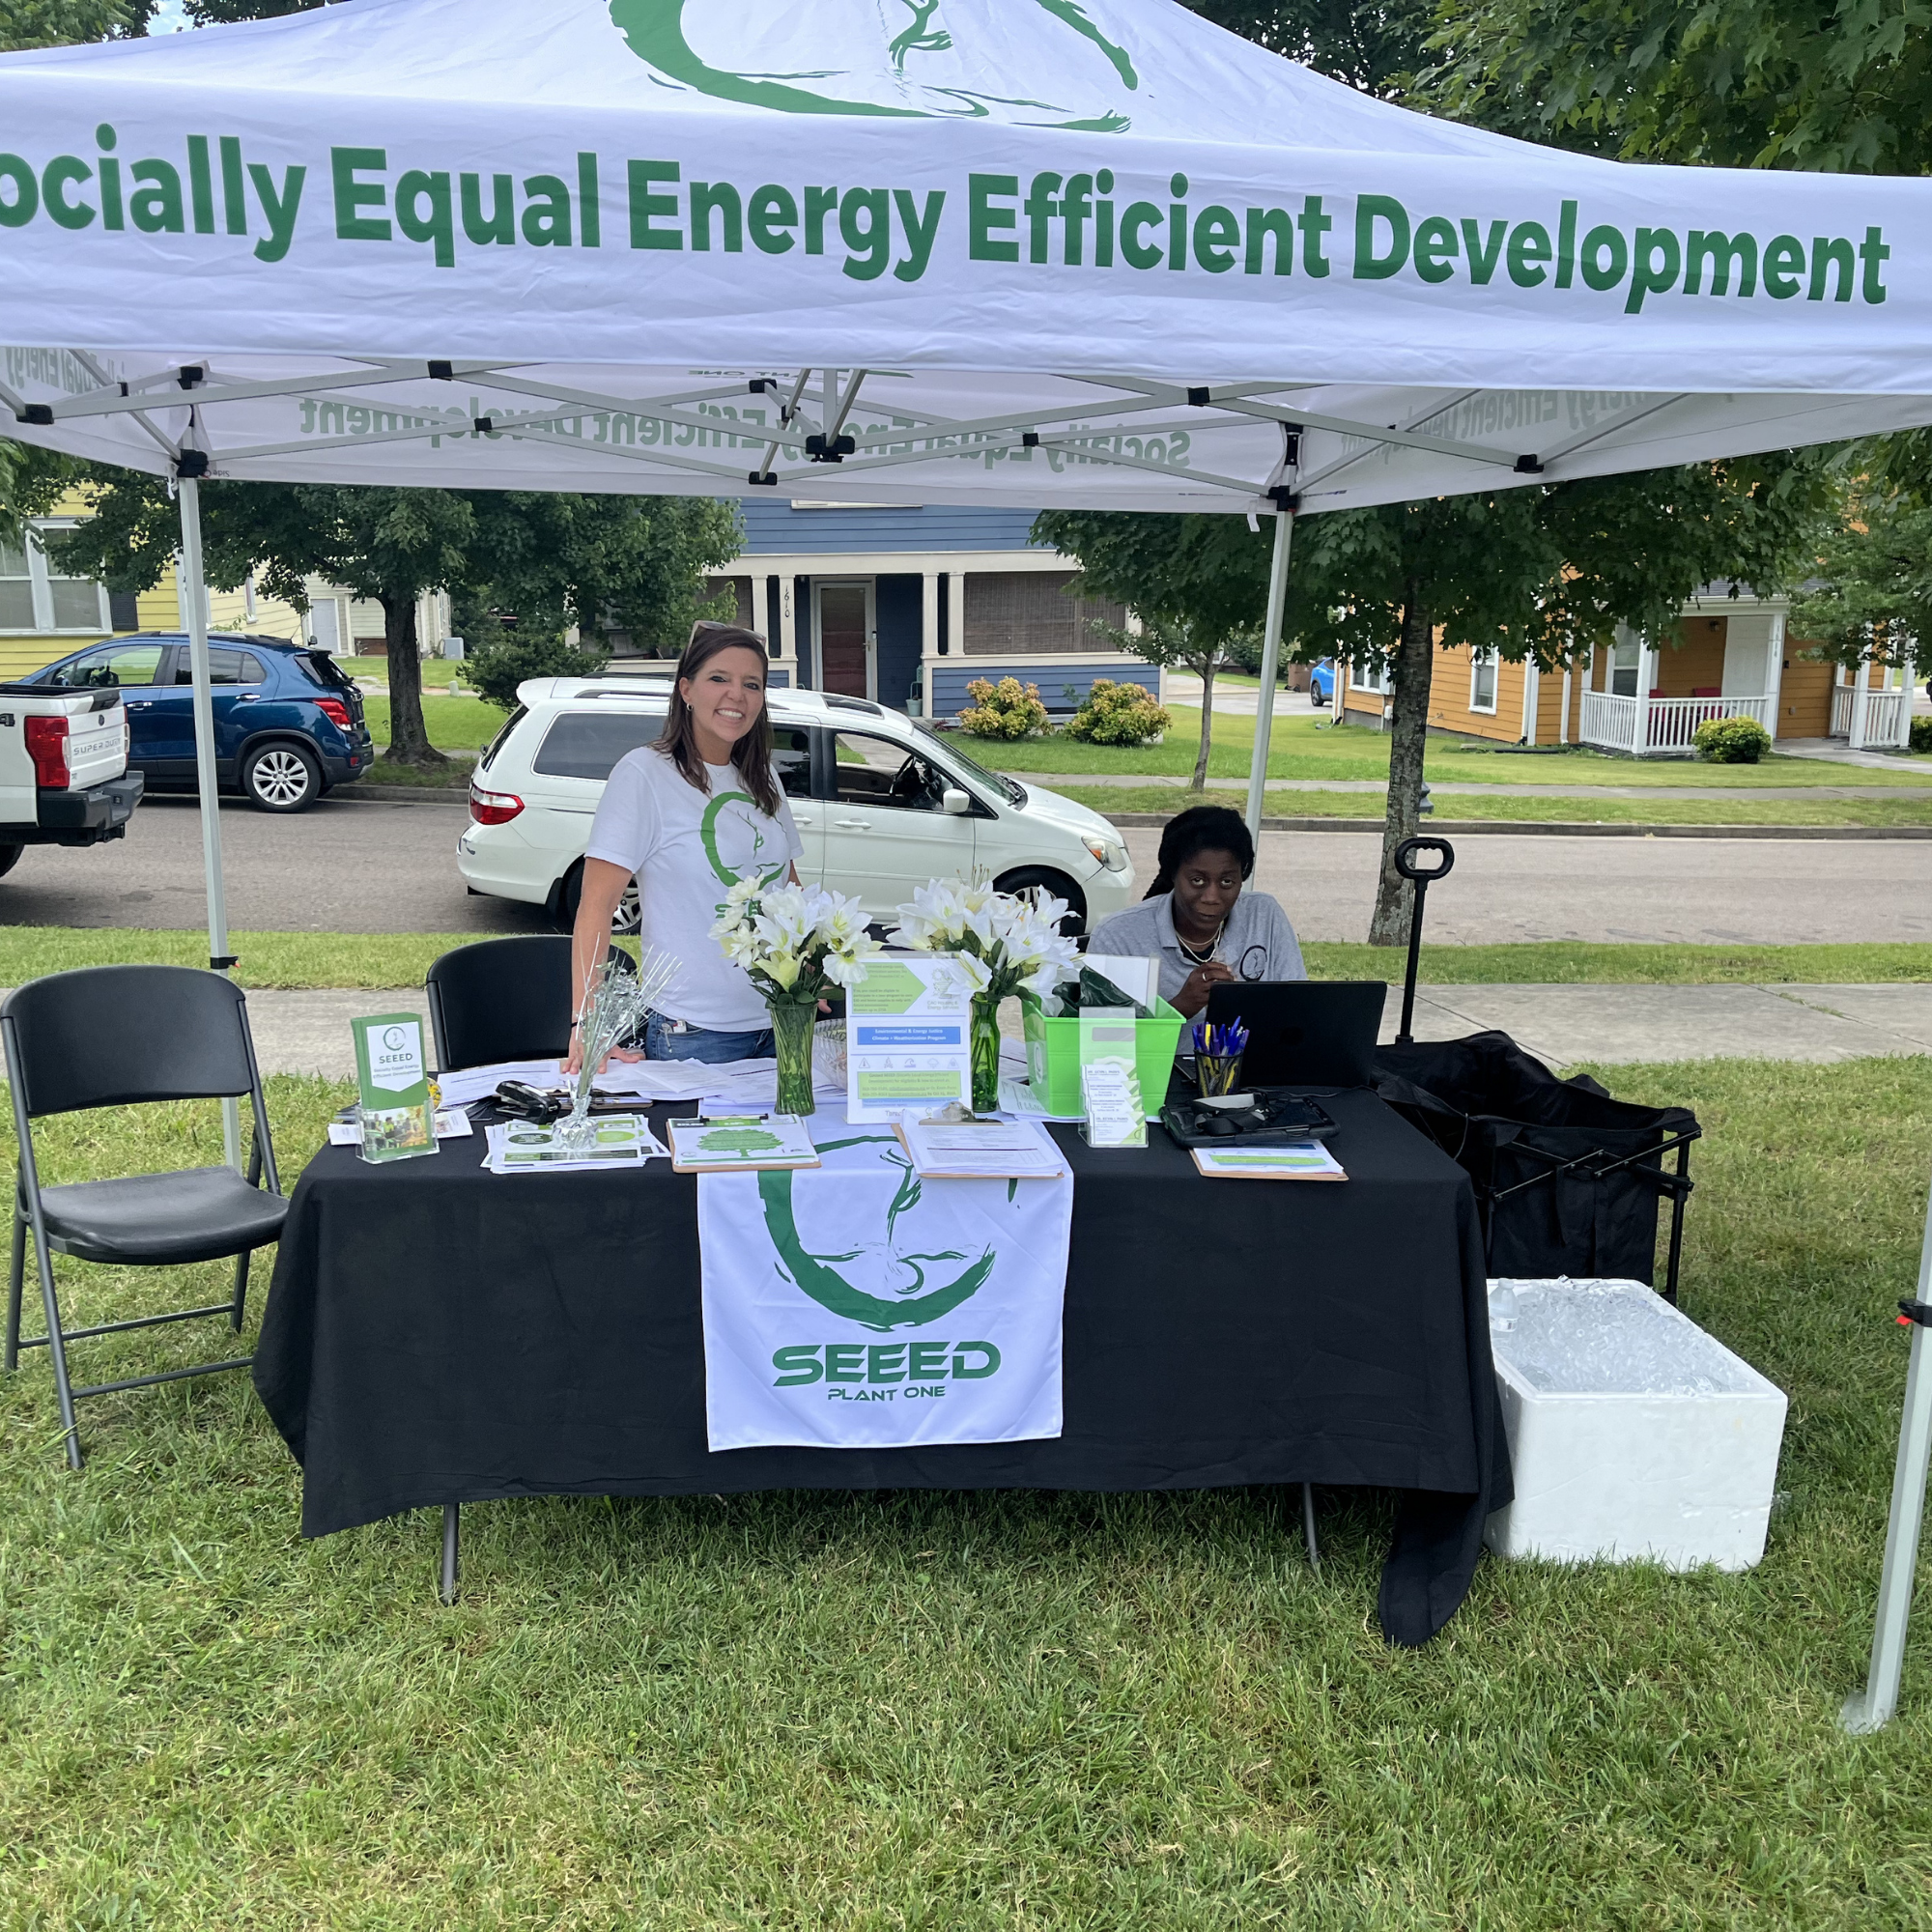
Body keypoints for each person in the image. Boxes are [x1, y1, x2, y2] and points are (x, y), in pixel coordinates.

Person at [565, 622, 802, 1066]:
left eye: (752, 684)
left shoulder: (764, 777)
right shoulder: (643, 775)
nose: (737, 695)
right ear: (686, 689)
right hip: (693, 1032)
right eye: (719, 678)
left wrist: (809, 971)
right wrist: (586, 1019)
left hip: (781, 1018)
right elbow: (595, 907)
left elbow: (789, 889)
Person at [1086, 805, 1304, 1018]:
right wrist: (1180, 1007)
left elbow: (1300, 1008)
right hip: (1160, 1057)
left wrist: (1239, 1005)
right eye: (1197, 881)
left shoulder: (1264, 915)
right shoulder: (1119, 936)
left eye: (1227, 882)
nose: (1212, 897)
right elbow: (1102, 1040)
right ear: (1173, 874)